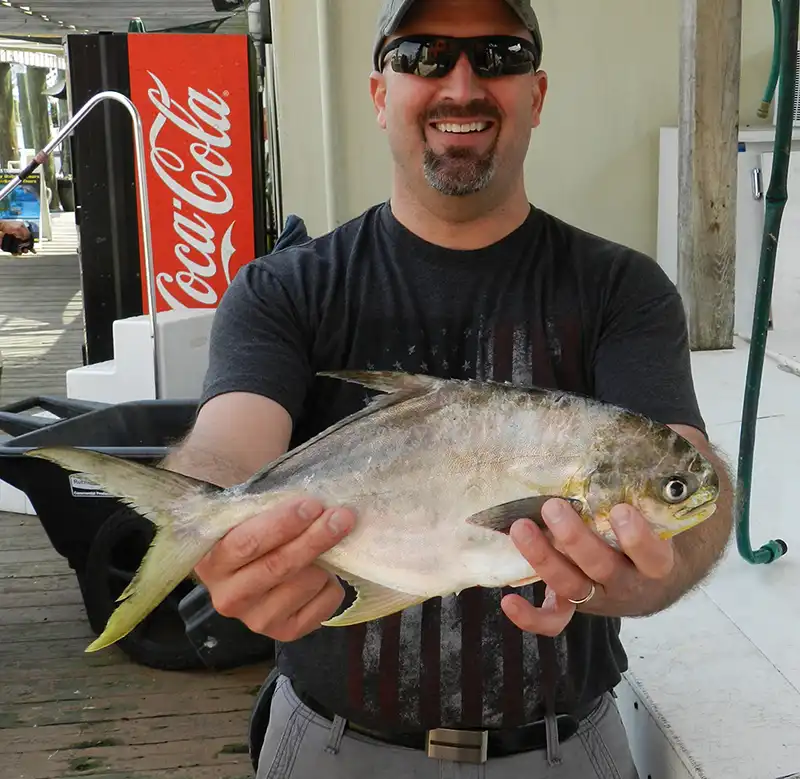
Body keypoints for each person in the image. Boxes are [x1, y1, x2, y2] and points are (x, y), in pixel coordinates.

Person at [162, 0, 734, 776]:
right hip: (333, 747)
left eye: (497, 54)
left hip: (566, 747)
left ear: (535, 92)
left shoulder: (621, 289)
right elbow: (230, 443)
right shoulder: (286, 289)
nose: (461, 85)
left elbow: (688, 476)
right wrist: (210, 518)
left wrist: (649, 565)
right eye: (424, 54)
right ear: (379, 93)